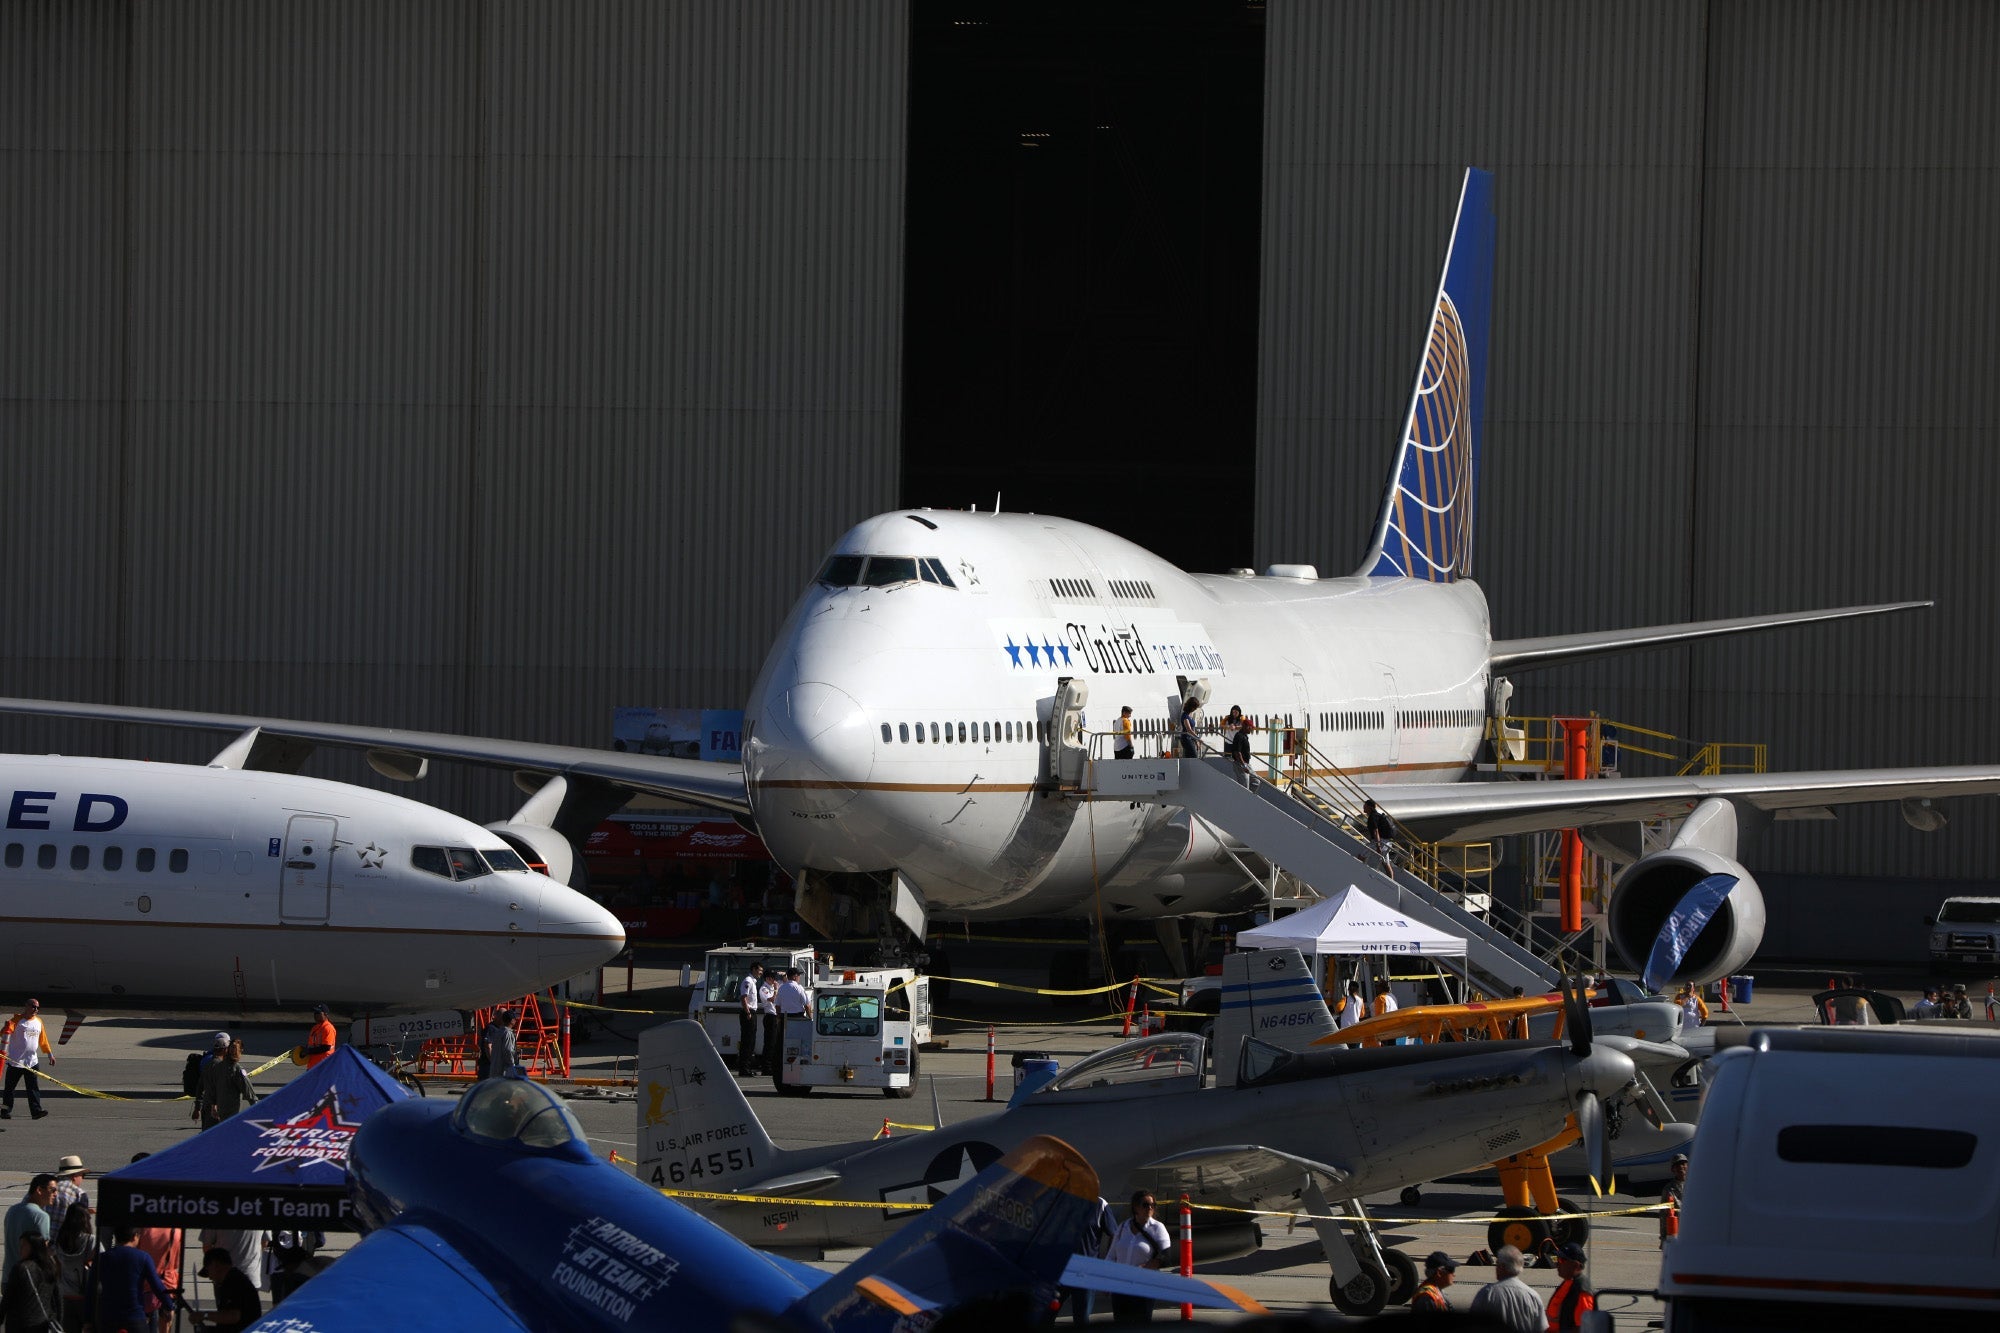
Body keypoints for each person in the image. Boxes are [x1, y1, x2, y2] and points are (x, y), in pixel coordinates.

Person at [90, 1226, 177, 1333]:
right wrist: (169, 1305)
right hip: (134, 1317)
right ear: (135, 1236)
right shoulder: (143, 1257)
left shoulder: (101, 1259)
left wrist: (87, 1320)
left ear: (116, 1237)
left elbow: (91, 1289)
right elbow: (156, 1285)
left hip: (108, 1318)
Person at [1106, 1191, 1172, 1323]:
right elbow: (1111, 1255)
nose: (1150, 1208)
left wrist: (1144, 1268)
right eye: (1146, 1205)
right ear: (1135, 1207)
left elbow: (1165, 1257)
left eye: (1153, 1205)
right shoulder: (1123, 1227)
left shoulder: (1158, 1228)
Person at [1059, 1196, 1115, 1322]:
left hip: (1086, 1273)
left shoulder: (1100, 1204)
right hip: (1060, 1270)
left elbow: (1114, 1234)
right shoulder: (1059, 1199)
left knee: (1081, 1318)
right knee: (1046, 1314)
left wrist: (1108, 1261)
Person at [0, 1000, 54, 1121]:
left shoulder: (38, 1022)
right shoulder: (16, 1020)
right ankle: (5, 1110)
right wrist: (5, 1028)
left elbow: (43, 1039)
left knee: (33, 1088)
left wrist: (49, 1054)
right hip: (16, 1062)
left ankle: (36, 1111)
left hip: (32, 1062)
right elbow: (4, 1034)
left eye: (37, 1008)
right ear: (26, 1006)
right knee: (9, 1088)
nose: (36, 1010)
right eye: (33, 1007)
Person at [0, 1180, 53, 1304]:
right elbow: (43, 1251)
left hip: (8, 1276)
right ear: (39, 1190)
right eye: (53, 1190)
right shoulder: (41, 1216)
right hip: (29, 1280)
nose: (55, 1194)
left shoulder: (12, 1210)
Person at [1467, 1245, 1542, 1333]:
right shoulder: (1532, 1295)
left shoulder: (1487, 1293)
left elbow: (1473, 1325)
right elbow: (1541, 1327)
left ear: (1502, 1266)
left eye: (1497, 1264)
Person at [1, 1233, 61, 1333]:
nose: (20, 1249)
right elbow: (57, 1298)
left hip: (20, 1325)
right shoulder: (50, 1267)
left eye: (23, 1245)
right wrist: (58, 1321)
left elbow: (7, 1298)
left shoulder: (20, 1268)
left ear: (34, 1247)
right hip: (43, 1324)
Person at [52, 1198, 96, 1332]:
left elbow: (57, 1267)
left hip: (65, 1296)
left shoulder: (60, 1240)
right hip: (86, 1297)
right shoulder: (90, 1240)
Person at [195, 1039, 257, 1130]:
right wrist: (257, 1107)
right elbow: (249, 1092)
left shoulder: (218, 1067)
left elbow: (211, 1088)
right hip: (232, 1114)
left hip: (218, 1111)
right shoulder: (237, 1069)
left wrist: (213, 1105)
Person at [190, 1248, 260, 1328]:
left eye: (208, 1271)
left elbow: (234, 1316)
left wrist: (204, 1315)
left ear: (215, 1265)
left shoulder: (234, 1282)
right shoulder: (232, 1280)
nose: (210, 1277)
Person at [1545, 1241, 1595, 1332]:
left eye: (1561, 1260)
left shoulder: (1582, 1290)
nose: (1557, 1264)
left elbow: (1583, 1328)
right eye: (1557, 1259)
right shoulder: (1568, 1282)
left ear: (1576, 1265)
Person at [265, 1229, 323, 1304]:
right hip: (302, 1266)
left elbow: (265, 1240)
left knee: (278, 1305)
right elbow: (321, 1241)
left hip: (278, 1266)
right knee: (300, 1303)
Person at [46, 1157, 87, 1238]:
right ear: (75, 1176)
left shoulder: (44, 1187)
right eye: (83, 1175)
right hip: (64, 1244)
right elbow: (82, 1225)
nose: (82, 1179)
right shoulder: (79, 1193)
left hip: (42, 1243)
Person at [1410, 1250, 1456, 1319]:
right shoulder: (1427, 1298)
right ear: (1439, 1273)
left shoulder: (1438, 1290)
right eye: (1451, 1270)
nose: (1454, 1275)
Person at [476, 1007, 519, 1081]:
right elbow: (508, 1050)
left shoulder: (499, 1031)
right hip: (493, 1067)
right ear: (511, 1021)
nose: (516, 1020)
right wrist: (512, 1066)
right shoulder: (505, 1032)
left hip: (493, 1068)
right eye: (514, 1019)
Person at [737, 964, 764, 1077]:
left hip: (752, 1012)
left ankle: (747, 1067)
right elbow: (743, 997)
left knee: (751, 1040)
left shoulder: (753, 982)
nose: (761, 972)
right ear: (753, 969)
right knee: (747, 1041)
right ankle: (744, 1069)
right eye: (759, 970)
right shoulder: (748, 981)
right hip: (748, 1012)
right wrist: (748, 1012)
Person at [1661, 1151, 1688, 1245]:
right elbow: (1664, 1215)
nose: (1681, 1167)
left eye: (1683, 1164)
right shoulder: (1669, 1189)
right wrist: (1663, 1238)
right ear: (1673, 1169)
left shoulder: (1696, 1185)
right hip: (1676, 1232)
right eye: (1677, 1165)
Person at [759, 968, 782, 1075]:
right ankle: (766, 1067)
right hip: (770, 1017)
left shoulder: (773, 986)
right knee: (769, 1043)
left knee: (775, 1042)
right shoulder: (764, 988)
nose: (774, 980)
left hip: (776, 1017)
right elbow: (772, 999)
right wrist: (776, 990)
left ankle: (771, 1065)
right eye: (773, 978)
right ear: (768, 978)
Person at [299, 1004, 337, 1069]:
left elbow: (326, 1047)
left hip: (324, 1066)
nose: (316, 1015)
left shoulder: (328, 1028)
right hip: (313, 1065)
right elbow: (310, 1045)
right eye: (315, 1013)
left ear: (326, 1014)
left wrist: (308, 1051)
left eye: (318, 1013)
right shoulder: (315, 1028)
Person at [1360, 799, 1394, 872]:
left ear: (1370, 807)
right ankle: (1391, 880)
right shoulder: (1378, 816)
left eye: (1365, 806)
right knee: (1385, 863)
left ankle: (1360, 872)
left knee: (1361, 856)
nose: (1363, 807)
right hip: (1387, 842)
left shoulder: (1372, 817)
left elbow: (1376, 831)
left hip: (1380, 842)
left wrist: (1378, 846)